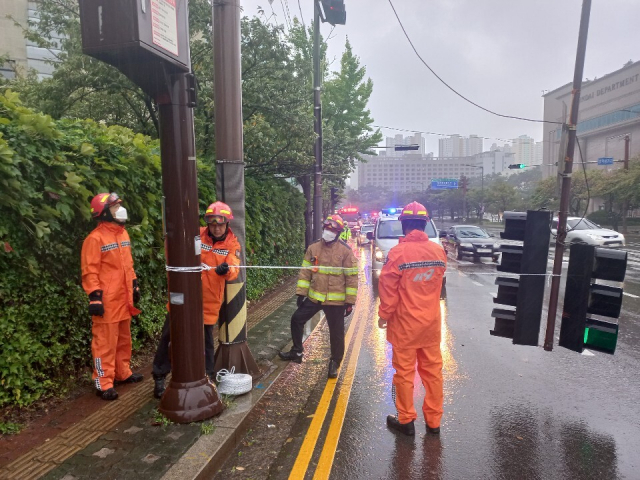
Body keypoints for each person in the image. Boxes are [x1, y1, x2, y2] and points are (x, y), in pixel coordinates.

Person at [152, 201, 241, 398]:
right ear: (207, 223)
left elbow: (234, 266)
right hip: (183, 298)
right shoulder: (195, 235)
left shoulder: (232, 244)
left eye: (220, 224)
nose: (216, 228)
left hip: (208, 302)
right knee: (169, 336)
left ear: (227, 223)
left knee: (206, 341)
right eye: (212, 223)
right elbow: (174, 248)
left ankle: (208, 376)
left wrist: (226, 270)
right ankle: (159, 376)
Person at [377, 201, 447, 436]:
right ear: (425, 224)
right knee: (433, 372)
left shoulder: (398, 253)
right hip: (430, 325)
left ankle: (406, 420)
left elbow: (388, 290)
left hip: (405, 325)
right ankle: (434, 422)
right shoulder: (438, 251)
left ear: (404, 225)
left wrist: (384, 315)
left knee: (404, 374)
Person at [279, 215, 358, 378]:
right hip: (315, 297)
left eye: (332, 229)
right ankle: (297, 351)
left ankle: (334, 362)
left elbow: (351, 278)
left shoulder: (345, 251)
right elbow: (305, 272)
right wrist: (301, 293)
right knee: (296, 319)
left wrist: (349, 302)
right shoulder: (313, 248)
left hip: (336, 302)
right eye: (326, 228)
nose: (328, 232)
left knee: (336, 333)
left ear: (338, 232)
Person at [81, 193, 143, 401]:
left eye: (119, 206)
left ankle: (122, 372)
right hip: (107, 301)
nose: (120, 210)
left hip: (123, 299)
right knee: (104, 343)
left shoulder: (123, 235)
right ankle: (103, 382)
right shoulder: (94, 239)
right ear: (104, 213)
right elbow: (90, 271)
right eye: (115, 207)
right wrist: (95, 297)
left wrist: (134, 285)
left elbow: (128, 265)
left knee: (124, 340)